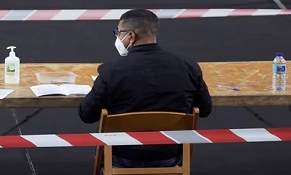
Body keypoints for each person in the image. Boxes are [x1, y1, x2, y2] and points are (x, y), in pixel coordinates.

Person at [79, 9, 213, 168]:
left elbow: (86, 114)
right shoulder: (188, 67)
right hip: (170, 155)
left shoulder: (111, 72)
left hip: (124, 156)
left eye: (118, 33)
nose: (118, 37)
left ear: (130, 36)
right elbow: (205, 110)